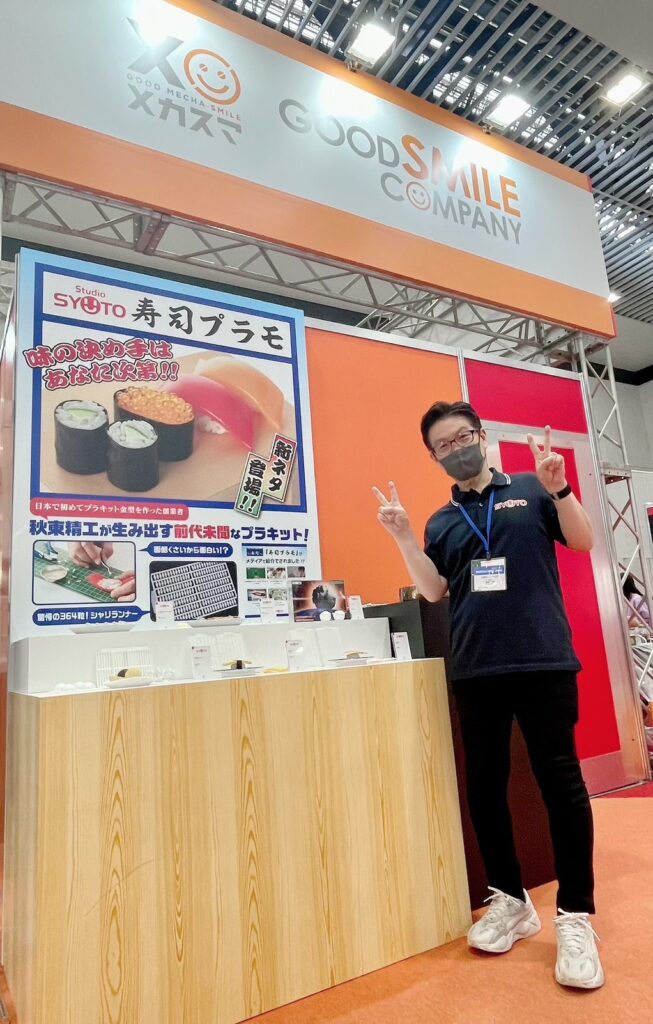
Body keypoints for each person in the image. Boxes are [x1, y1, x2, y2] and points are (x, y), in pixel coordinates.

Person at [373, 400, 604, 990]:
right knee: (485, 787)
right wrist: (404, 536)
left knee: (562, 785)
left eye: (462, 437)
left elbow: (582, 541)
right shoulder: (442, 521)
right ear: (434, 457)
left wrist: (560, 488)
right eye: (443, 446)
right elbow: (434, 590)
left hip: (544, 660)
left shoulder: (531, 488)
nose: (456, 450)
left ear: (480, 435)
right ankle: (511, 900)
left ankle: (575, 914)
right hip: (477, 668)